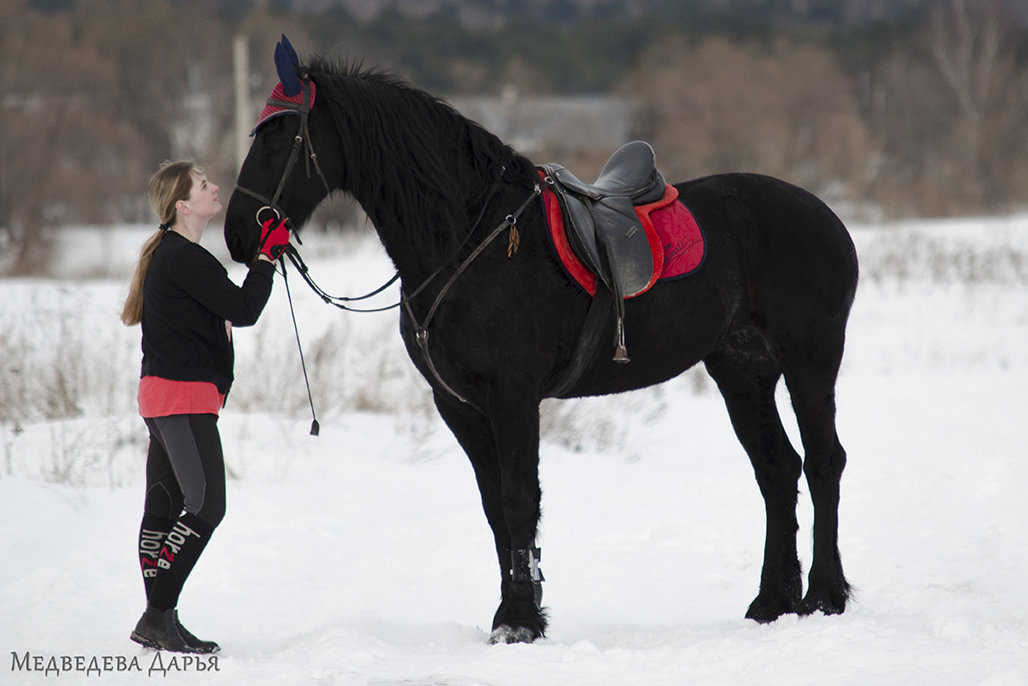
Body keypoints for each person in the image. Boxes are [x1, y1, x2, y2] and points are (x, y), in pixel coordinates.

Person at [120, 160, 290, 653]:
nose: (215, 187)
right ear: (183, 205)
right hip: (182, 400)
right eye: (203, 184)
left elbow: (209, 317)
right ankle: (157, 616)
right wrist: (267, 258)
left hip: (163, 399)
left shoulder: (172, 256)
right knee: (206, 506)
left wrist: (216, 326)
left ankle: (160, 618)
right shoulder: (184, 257)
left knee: (164, 508)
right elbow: (244, 309)